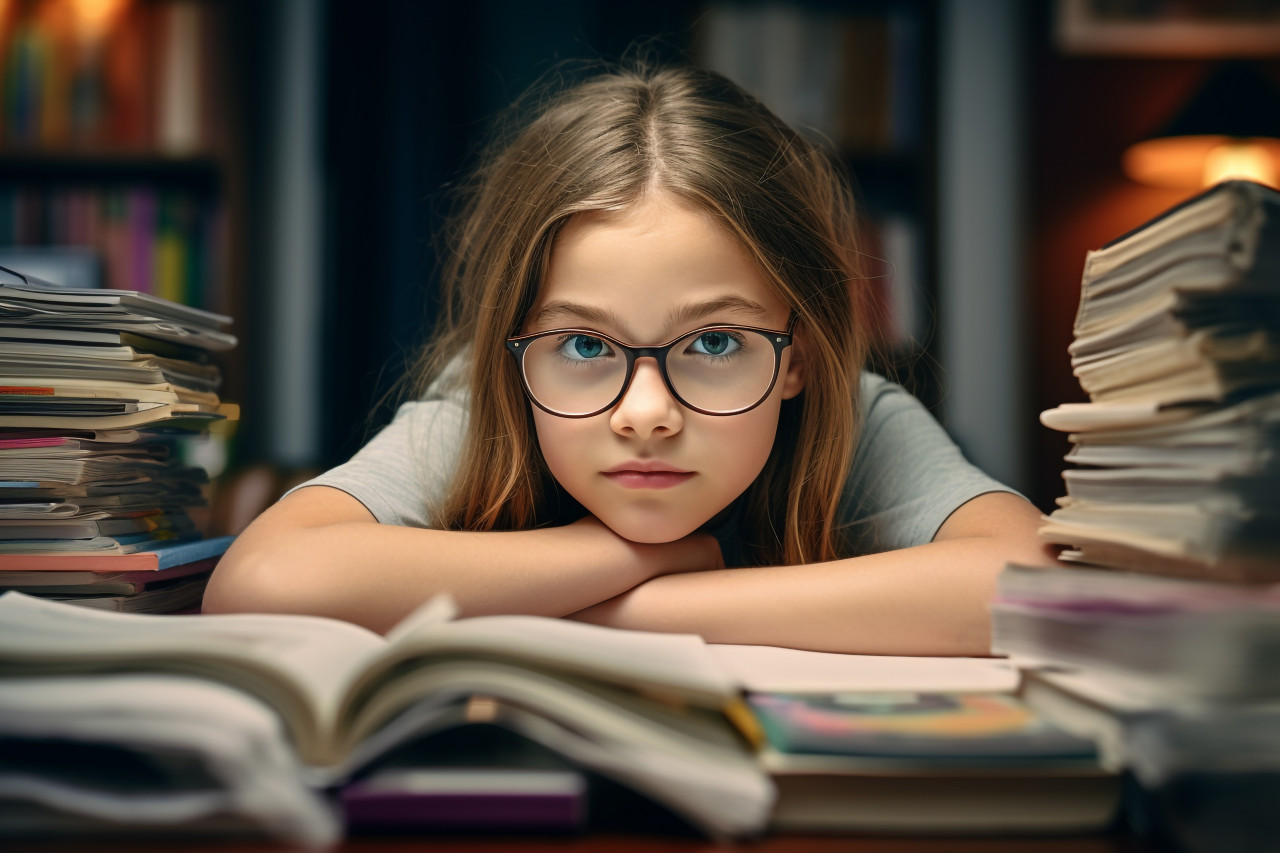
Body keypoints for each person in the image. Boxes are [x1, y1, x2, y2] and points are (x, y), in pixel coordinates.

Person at [203, 63, 1053, 653]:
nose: (645, 413)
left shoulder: (854, 415)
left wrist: (644, 607)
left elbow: (1031, 584)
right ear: (514, 357)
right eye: (584, 344)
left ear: (798, 353)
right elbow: (266, 577)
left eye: (716, 341)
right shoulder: (483, 402)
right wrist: (631, 555)